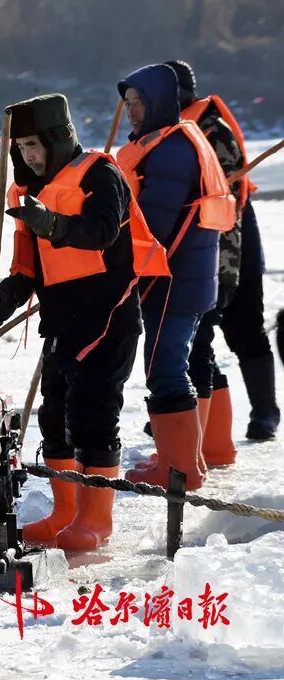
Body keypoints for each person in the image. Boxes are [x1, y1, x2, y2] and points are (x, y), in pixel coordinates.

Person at [0, 94, 168, 551]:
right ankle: (65, 514)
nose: (28, 156)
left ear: (58, 138)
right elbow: (27, 268)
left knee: (93, 417)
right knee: (56, 418)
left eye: (34, 145)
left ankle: (95, 521)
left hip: (109, 319)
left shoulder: (101, 173)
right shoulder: (29, 192)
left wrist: (52, 225)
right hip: (63, 325)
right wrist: (4, 301)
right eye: (20, 148)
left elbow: (102, 231)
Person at [116, 64, 236, 490]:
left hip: (174, 278)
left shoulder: (171, 149)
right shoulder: (173, 139)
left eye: (138, 102)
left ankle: (180, 468)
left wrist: (109, 258)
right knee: (181, 361)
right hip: (188, 275)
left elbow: (153, 224)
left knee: (165, 367)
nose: (131, 111)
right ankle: (188, 459)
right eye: (127, 103)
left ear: (160, 102)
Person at [168, 59, 280, 443]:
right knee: (197, 338)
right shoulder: (167, 133)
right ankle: (197, 417)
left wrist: (227, 269)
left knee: (245, 328)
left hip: (234, 247)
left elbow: (229, 208)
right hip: (196, 250)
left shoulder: (214, 132)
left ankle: (266, 411)